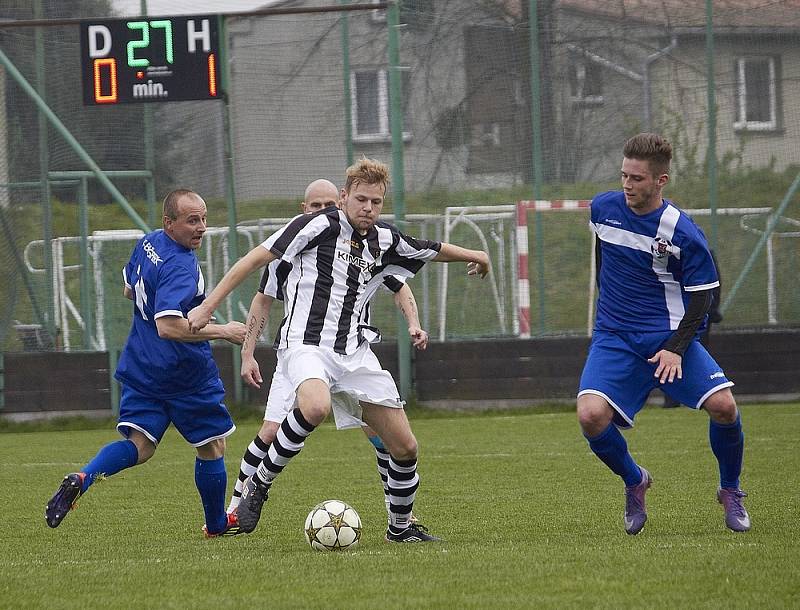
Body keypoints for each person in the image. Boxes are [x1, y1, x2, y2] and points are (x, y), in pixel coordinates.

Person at [187, 157, 490, 542]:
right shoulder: (316, 225)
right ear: (344, 197)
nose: (368, 208)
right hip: (305, 344)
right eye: (361, 199)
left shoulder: (384, 239)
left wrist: (477, 256)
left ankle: (400, 528)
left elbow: (431, 249)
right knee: (314, 406)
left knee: (406, 447)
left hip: (355, 352)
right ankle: (258, 487)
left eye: (376, 202)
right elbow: (255, 260)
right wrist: (209, 305)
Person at [45, 189, 247, 537]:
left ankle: (84, 476)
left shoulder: (149, 243)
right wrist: (224, 331)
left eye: (203, 218)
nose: (201, 228)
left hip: (142, 366)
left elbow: (128, 291)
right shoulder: (182, 266)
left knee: (140, 446)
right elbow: (168, 327)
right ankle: (216, 524)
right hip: (185, 374)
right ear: (169, 224)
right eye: (191, 221)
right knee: (212, 446)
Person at [576, 133, 750, 535]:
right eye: (623, 175)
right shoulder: (602, 208)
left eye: (636, 178)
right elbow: (606, 258)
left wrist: (675, 348)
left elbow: (704, 298)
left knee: (724, 407)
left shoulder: (682, 232)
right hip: (615, 336)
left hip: (669, 336)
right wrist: (613, 312)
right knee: (590, 416)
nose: (626, 184)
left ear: (661, 180)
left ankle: (730, 490)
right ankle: (635, 480)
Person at [229, 179, 429, 520]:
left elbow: (399, 285)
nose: (324, 212)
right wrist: (248, 353)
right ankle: (236, 506)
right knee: (272, 429)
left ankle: (399, 519)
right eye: (316, 207)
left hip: (352, 351)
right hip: (302, 351)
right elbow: (262, 302)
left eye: (329, 206)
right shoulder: (288, 250)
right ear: (304, 211)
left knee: (384, 435)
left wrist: (413, 321)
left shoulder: (364, 246)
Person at [664, 249, 722, 408]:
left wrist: (713, 310)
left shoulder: (700, 250)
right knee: (669, 353)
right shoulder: (665, 255)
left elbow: (712, 285)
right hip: (673, 317)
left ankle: (703, 394)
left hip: (698, 317)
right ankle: (672, 399)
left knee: (695, 354)